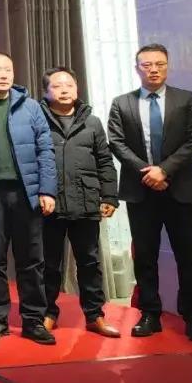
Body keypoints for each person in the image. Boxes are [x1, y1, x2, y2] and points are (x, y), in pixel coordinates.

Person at [107, 44, 192, 344]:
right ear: (137, 68)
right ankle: (150, 313)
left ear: (167, 66)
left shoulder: (187, 99)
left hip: (181, 189)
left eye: (159, 64)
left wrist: (164, 170)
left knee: (188, 258)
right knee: (145, 256)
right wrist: (148, 173)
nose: (153, 69)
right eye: (147, 64)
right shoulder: (122, 103)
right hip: (141, 191)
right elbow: (117, 142)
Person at [0, 52, 57, 345]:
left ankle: (33, 320)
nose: (4, 74)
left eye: (8, 69)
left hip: (26, 193)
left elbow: (46, 150)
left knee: (31, 259)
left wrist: (47, 190)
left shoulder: (31, 107)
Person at [40, 67, 121, 338]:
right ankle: (47, 314)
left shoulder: (92, 122)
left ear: (77, 89)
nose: (64, 90)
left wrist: (109, 196)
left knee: (89, 262)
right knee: (48, 263)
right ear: (46, 92)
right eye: (57, 86)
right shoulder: (37, 120)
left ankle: (95, 316)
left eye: (69, 85)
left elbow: (105, 161)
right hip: (49, 205)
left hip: (86, 201)